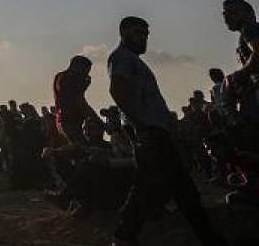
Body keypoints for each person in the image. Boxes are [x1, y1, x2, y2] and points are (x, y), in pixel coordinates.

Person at [108, 16, 227, 246]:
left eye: (146, 33)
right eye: (138, 32)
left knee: (149, 185)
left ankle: (124, 235)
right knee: (181, 186)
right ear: (124, 32)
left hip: (152, 128)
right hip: (148, 129)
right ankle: (210, 238)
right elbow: (117, 89)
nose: (143, 38)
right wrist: (139, 125)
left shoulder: (133, 60)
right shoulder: (122, 57)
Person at [54, 56, 99, 145]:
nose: (86, 74)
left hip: (61, 120)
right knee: (83, 148)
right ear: (77, 67)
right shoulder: (72, 78)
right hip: (71, 121)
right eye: (85, 71)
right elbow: (79, 101)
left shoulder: (59, 76)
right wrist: (97, 120)